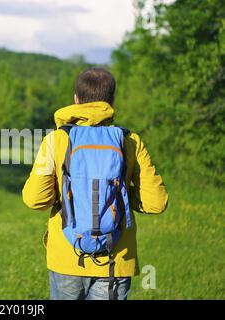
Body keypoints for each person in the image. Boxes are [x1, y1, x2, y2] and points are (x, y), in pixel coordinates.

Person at [22, 68, 168, 300]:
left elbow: (34, 199)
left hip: (67, 256)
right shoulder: (129, 141)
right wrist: (116, 192)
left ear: (76, 99)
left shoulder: (56, 140)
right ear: (110, 101)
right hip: (115, 259)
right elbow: (156, 203)